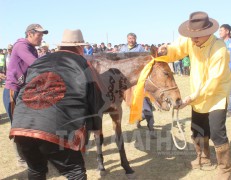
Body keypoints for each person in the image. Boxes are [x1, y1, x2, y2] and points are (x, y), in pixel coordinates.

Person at [10, 29, 104, 179]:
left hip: (21, 127)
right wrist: (96, 127)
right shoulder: (83, 63)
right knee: (75, 172)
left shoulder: (40, 60)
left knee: (36, 170)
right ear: (80, 47)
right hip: (54, 128)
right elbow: (95, 99)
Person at [159, 11, 231, 179]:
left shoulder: (219, 48)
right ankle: (204, 157)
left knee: (216, 131)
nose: (193, 39)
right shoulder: (191, 39)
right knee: (197, 129)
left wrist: (191, 98)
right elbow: (176, 49)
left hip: (216, 95)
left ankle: (224, 168)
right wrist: (166, 50)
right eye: (192, 35)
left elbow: (213, 81)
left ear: (209, 32)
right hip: (197, 94)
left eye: (198, 35)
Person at [3, 23, 48, 167]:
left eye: (42, 35)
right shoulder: (21, 46)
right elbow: (36, 64)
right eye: (39, 35)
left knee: (30, 124)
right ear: (30, 34)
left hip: (25, 91)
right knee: (17, 126)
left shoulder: (32, 48)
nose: (41, 38)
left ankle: (32, 155)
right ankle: (21, 158)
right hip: (14, 91)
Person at [120, 33, 156, 139]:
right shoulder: (123, 49)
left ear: (135, 39)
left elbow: (147, 60)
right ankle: (138, 119)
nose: (131, 40)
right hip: (127, 82)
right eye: (129, 38)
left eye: (133, 38)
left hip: (140, 81)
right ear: (127, 39)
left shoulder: (140, 48)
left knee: (147, 106)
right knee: (134, 106)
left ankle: (151, 128)